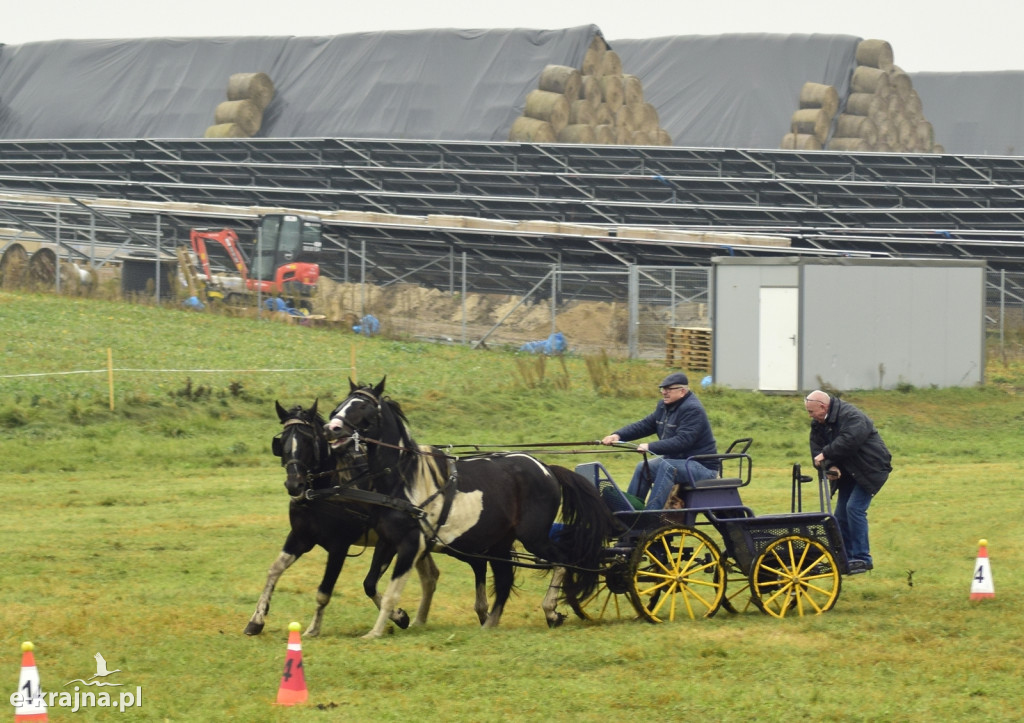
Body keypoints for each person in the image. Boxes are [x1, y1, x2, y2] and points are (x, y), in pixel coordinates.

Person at [804, 390, 892, 574]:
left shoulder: (852, 416)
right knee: (841, 514)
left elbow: (849, 440)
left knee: (854, 508)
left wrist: (826, 454)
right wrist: (832, 465)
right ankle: (846, 556)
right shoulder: (819, 423)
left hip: (870, 468)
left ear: (823, 406)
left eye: (811, 412)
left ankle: (862, 558)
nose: (810, 416)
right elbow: (817, 451)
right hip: (849, 470)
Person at [601, 372, 718, 510]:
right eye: (662, 389)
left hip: (701, 465)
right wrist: (618, 435)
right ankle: (630, 510)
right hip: (679, 462)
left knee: (667, 466)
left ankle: (651, 514)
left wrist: (650, 446)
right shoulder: (664, 406)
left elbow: (683, 441)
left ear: (682, 391)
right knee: (643, 467)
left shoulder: (692, 409)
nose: (664, 393)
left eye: (669, 389)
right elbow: (645, 425)